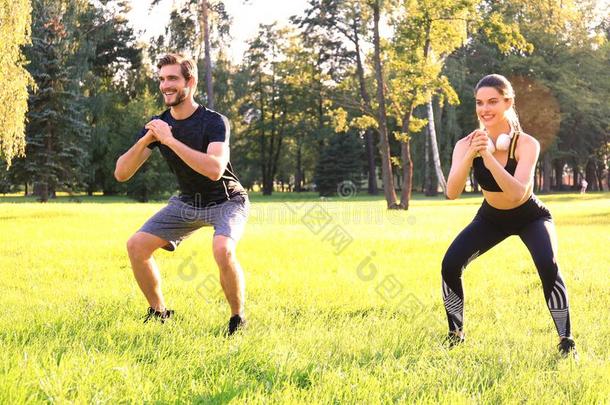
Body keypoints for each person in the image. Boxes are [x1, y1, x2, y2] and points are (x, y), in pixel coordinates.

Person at [114, 53, 249, 335]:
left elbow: (214, 169)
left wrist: (169, 140)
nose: (166, 85)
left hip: (227, 200)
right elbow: (122, 173)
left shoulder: (214, 122)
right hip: (189, 202)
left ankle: (237, 319)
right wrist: (146, 140)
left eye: (173, 78)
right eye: (162, 79)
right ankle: (159, 312)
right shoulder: (159, 124)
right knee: (136, 246)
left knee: (222, 250)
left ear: (191, 81)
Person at [443, 74, 576, 357]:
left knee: (547, 263)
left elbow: (517, 194)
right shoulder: (466, 144)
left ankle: (566, 342)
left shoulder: (527, 144)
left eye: (493, 101)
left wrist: (489, 158)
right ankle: (456, 335)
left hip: (531, 216)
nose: (485, 109)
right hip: (491, 218)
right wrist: (472, 154)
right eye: (480, 103)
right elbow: (451, 192)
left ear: (508, 102)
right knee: (450, 264)